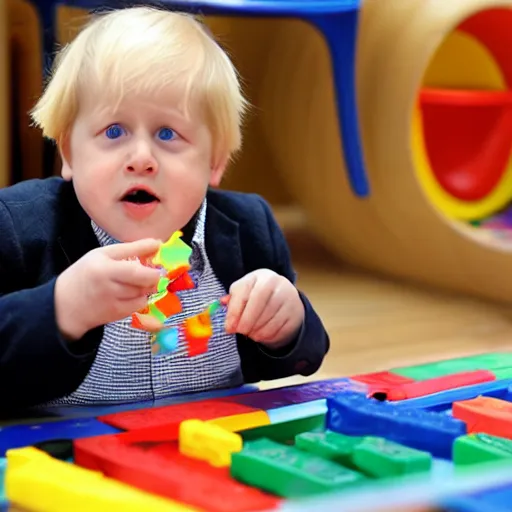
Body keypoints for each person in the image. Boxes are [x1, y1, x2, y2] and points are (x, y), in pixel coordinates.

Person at [0, 6, 329, 410]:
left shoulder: (249, 227)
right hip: (60, 454)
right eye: (114, 131)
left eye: (168, 133)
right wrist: (60, 309)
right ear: (69, 152)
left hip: (207, 447)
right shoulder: (18, 227)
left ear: (214, 161)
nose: (141, 158)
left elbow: (302, 358)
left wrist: (288, 324)